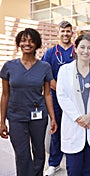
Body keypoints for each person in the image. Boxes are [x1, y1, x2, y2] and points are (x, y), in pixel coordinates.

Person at [0, 28, 57, 176]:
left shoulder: (44, 67)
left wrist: (52, 118)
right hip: (16, 117)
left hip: (38, 117)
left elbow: (47, 94)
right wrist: (1, 121)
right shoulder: (9, 66)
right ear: (19, 43)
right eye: (24, 40)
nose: (27, 44)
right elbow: (5, 95)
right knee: (22, 154)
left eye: (31, 41)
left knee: (39, 152)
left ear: (37, 44)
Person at [56, 34, 90, 175]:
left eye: (89, 48)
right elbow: (62, 96)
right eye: (82, 47)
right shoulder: (64, 70)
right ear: (75, 48)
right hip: (74, 125)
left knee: (89, 170)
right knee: (73, 170)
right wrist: (79, 118)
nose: (85, 51)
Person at [42, 20, 74, 175]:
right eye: (63, 31)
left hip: (75, 99)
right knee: (56, 129)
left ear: (72, 33)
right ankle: (54, 163)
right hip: (55, 98)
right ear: (58, 33)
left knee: (73, 130)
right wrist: (61, 90)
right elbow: (46, 75)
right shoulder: (50, 53)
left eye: (68, 31)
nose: (65, 34)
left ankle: (72, 163)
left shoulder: (77, 51)